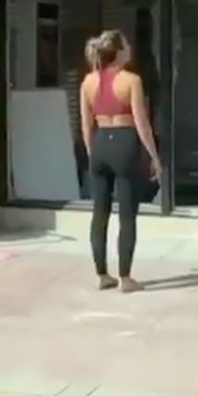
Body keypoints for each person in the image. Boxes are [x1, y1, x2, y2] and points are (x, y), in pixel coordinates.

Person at [79, 30, 163, 292]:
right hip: (125, 142)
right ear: (118, 51)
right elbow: (141, 122)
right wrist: (153, 156)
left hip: (101, 142)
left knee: (99, 212)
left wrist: (93, 152)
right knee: (127, 213)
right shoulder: (132, 80)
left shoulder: (88, 82)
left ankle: (102, 274)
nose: (130, 47)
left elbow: (85, 125)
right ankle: (125, 277)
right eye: (126, 44)